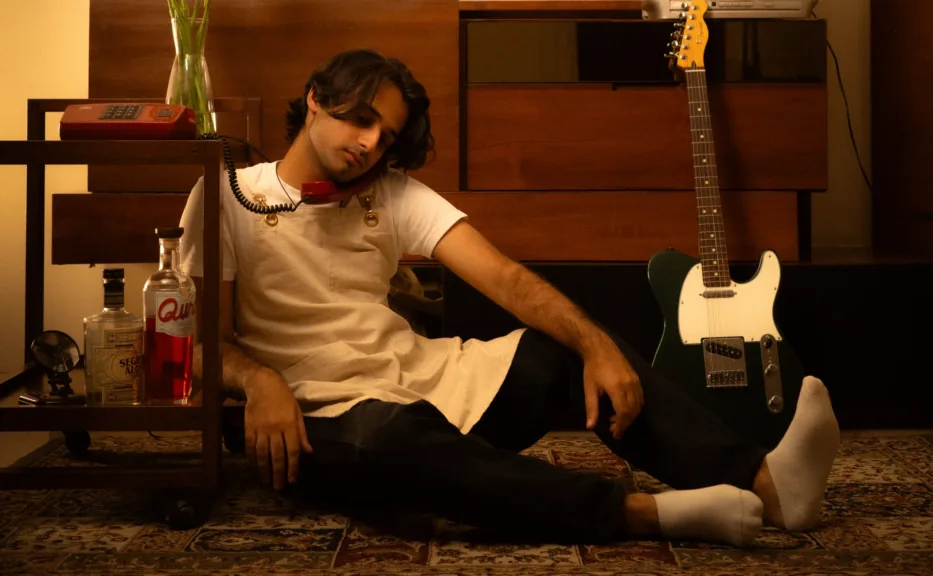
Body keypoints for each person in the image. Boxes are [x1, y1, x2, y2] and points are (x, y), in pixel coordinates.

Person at [178, 48, 840, 547]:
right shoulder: (229, 194)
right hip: (315, 419)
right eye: (360, 119)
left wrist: (595, 346)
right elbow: (203, 346)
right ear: (315, 100)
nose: (371, 144)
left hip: (416, 381)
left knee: (562, 350)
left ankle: (766, 483)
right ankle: (641, 514)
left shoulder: (392, 194)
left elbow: (507, 280)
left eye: (387, 136)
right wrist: (260, 381)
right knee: (389, 439)